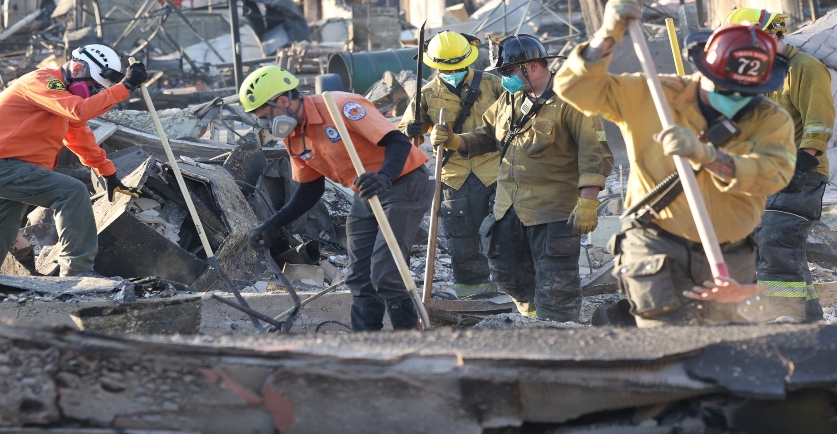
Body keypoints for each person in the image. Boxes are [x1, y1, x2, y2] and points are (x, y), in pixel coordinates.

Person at [555, 0, 796, 325]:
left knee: (728, 354)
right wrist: (607, 35)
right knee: (669, 346)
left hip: (731, 253)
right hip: (656, 247)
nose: (737, 99)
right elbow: (574, 88)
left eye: (747, 92)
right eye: (726, 88)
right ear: (705, 70)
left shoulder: (769, 118)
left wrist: (708, 156)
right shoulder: (651, 94)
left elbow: (774, 173)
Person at [431, 35, 613, 322]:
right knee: (506, 273)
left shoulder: (574, 101)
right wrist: (456, 141)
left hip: (552, 212)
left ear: (531, 66)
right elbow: (486, 135)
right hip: (509, 208)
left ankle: (559, 337)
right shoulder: (511, 98)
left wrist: (588, 201)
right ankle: (531, 319)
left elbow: (597, 154)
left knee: (556, 285)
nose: (505, 78)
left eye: (508, 71)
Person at [241, 65, 434, 331]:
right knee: (359, 277)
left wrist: (385, 177)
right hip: (366, 192)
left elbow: (397, 142)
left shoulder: (341, 107)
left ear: (283, 102)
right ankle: (366, 344)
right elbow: (310, 189)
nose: (264, 125)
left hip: (403, 183)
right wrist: (272, 225)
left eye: (264, 116)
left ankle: (410, 339)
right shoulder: (295, 136)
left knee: (386, 272)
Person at [0, 44, 148, 276]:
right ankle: (77, 274)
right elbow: (80, 111)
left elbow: (79, 137)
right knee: (72, 192)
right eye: (92, 87)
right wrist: (126, 87)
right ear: (78, 68)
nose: (90, 93)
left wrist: (109, 174)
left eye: (96, 90)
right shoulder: (43, 81)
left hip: (5, 170)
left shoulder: (64, 100)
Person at [722, 8, 836, 323]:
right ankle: (810, 319)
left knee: (774, 244)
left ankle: (783, 322)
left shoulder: (805, 68)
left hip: (800, 176)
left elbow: (819, 124)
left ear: (773, 35)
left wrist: (801, 163)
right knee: (779, 251)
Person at [399, 31, 504, 299]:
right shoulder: (427, 94)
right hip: (454, 175)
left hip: (494, 170)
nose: (454, 72)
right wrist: (410, 129)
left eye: (458, 67)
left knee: (505, 231)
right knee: (461, 236)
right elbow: (408, 136)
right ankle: (472, 290)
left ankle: (511, 286)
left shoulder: (493, 85)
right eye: (448, 69)